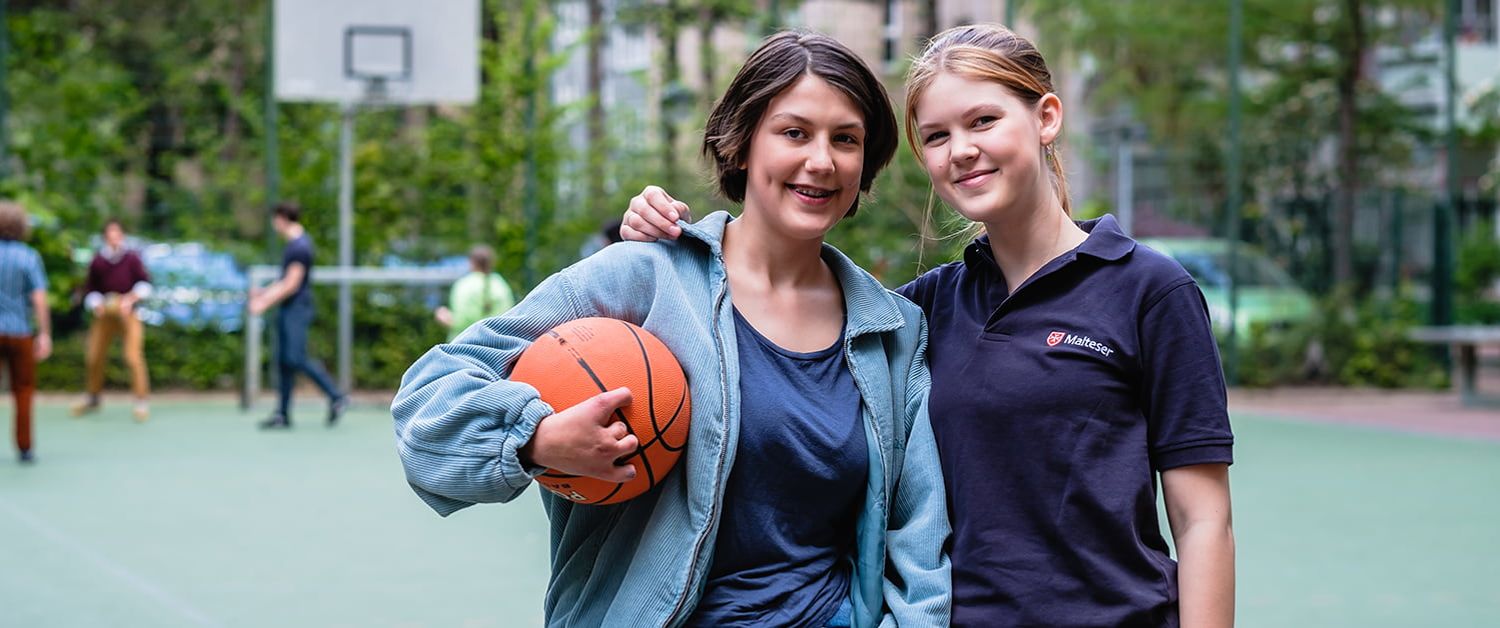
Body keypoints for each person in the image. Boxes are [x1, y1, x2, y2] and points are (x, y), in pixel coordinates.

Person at [620, 23, 1236, 628]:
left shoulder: (1150, 291)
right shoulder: (915, 314)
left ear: (1046, 118)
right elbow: (779, 334)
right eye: (936, 136)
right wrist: (675, 236)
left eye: (983, 121)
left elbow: (1203, 522)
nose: (961, 149)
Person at [392, 31, 949, 627]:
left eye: (846, 139)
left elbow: (918, 536)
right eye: (794, 132)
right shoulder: (641, 278)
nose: (821, 160)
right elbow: (427, 403)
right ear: (740, 145)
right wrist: (538, 439)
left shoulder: (891, 330)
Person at [249, 202, 348, 430]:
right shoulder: (293, 246)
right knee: (284, 361)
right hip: (288, 309)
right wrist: (264, 292)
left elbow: (291, 285)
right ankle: (282, 413)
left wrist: (263, 303)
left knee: (295, 357)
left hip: (297, 310)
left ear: (283, 218)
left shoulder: (300, 247)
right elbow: (283, 280)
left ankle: (336, 396)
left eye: (275, 219)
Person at [71, 219, 153, 421]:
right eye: (110, 234)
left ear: (122, 235)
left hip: (128, 313)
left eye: (117, 233)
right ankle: (93, 396)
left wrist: (130, 299)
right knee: (94, 355)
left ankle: (141, 401)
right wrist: (96, 303)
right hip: (105, 314)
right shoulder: (98, 260)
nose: (113, 237)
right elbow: (91, 288)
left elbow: (145, 283)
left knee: (133, 357)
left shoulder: (132, 258)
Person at [0, 201, 53, 464]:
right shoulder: (28, 256)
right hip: (20, 331)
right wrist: (44, 333)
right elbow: (39, 299)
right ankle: (24, 447)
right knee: (23, 389)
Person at [433, 244, 515, 341]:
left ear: (471, 262)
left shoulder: (464, 285)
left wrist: (444, 316)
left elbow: (460, 322)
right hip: (498, 346)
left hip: (465, 347)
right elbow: (509, 316)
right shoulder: (501, 284)